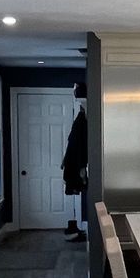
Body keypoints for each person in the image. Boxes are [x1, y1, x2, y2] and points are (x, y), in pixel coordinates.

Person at [61, 83, 88, 242]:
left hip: (77, 162)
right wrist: (80, 166)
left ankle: (78, 226)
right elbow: (77, 144)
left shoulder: (81, 120)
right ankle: (77, 225)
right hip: (77, 163)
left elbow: (77, 144)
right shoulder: (81, 120)